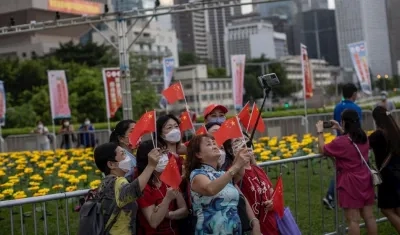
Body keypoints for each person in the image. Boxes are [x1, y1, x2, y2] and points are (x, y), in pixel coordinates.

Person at [316, 109, 377, 235]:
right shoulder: (363, 137)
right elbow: (351, 140)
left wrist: (320, 131)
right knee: (369, 217)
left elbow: (322, 149)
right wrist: (339, 129)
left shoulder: (341, 142)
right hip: (365, 180)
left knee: (353, 221)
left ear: (344, 122)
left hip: (350, 183)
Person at [185, 134, 261, 235]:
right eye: (209, 144)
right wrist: (237, 165)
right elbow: (210, 189)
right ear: (198, 154)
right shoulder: (197, 174)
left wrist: (240, 153)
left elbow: (238, 174)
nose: (215, 146)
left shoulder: (221, 174)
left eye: (214, 143)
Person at [93, 142, 161, 235]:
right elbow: (134, 190)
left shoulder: (105, 183)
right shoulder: (118, 182)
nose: (127, 158)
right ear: (111, 164)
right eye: (123, 154)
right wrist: (151, 166)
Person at [136, 140, 189, 235]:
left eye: (164, 152)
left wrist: (168, 214)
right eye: (159, 153)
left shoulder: (169, 176)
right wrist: (167, 199)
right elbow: (154, 222)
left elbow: (184, 211)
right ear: (147, 159)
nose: (164, 157)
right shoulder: (143, 186)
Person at [323, 83, 362, 209]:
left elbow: (336, 126)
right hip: (352, 143)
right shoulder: (356, 108)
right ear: (354, 94)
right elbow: (358, 128)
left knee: (340, 170)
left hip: (339, 142)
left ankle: (331, 195)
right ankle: (332, 195)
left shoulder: (337, 107)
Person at [228, 136, 278, 235]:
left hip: (270, 224)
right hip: (252, 227)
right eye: (238, 141)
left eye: (246, 140)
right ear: (231, 150)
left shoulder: (257, 169)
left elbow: (271, 191)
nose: (244, 143)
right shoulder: (233, 171)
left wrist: (272, 202)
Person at [369, 106, 400, 232]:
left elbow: (362, 144)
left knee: (386, 209)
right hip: (398, 173)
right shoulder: (397, 131)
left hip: (387, 176)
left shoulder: (378, 135)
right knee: (398, 207)